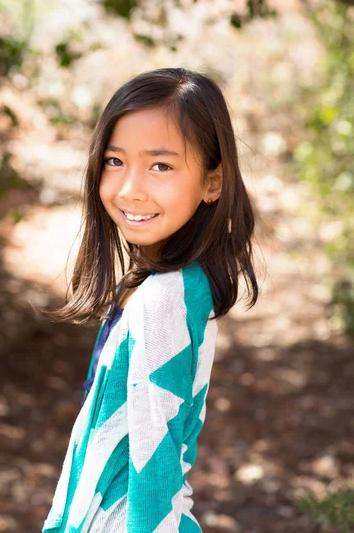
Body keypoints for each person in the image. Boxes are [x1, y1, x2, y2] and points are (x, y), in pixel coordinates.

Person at [39, 67, 259, 532]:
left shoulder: (165, 300)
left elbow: (153, 468)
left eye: (161, 165)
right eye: (115, 161)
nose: (129, 188)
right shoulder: (166, 286)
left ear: (212, 182)